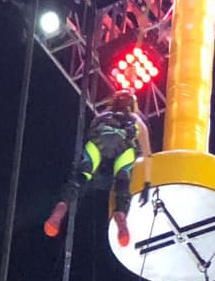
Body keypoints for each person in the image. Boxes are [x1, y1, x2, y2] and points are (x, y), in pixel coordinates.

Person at [44, 92, 151, 248]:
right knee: (122, 179)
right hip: (123, 146)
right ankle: (120, 214)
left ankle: (62, 205)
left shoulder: (102, 115)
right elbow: (148, 155)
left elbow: (90, 134)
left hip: (98, 142)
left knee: (82, 175)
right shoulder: (136, 120)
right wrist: (147, 184)